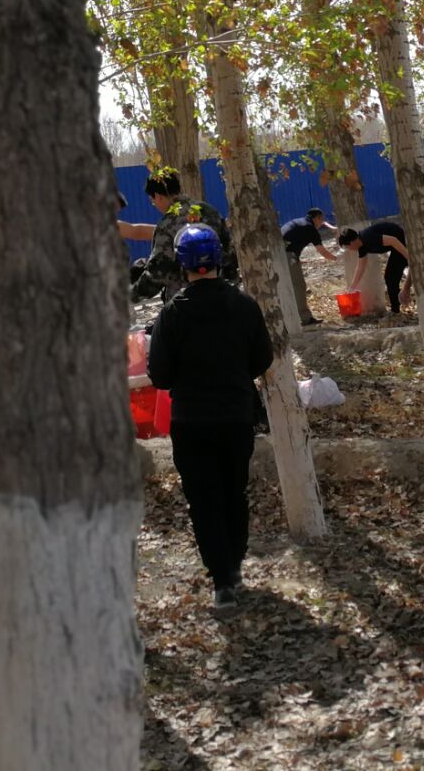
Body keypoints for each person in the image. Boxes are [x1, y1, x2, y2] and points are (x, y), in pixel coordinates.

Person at [147, 224, 273, 610]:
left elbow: (159, 375)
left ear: (182, 264)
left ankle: (222, 581)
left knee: (204, 498)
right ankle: (234, 565)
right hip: (236, 415)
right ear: (219, 258)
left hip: (191, 421)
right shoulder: (244, 305)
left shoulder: (172, 314)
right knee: (234, 490)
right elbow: (262, 359)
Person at [131, 170, 236, 298]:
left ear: (158, 196)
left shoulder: (167, 224)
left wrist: (131, 295)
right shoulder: (209, 211)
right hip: (222, 295)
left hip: (186, 301)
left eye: (153, 201)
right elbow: (229, 253)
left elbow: (158, 273)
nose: (154, 205)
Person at [337, 219, 410, 315]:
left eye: (347, 247)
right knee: (390, 278)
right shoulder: (361, 246)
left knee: (390, 277)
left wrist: (408, 257)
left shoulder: (368, 238)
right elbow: (360, 267)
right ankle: (397, 306)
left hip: (401, 241)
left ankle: (395, 310)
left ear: (351, 243)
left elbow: (393, 240)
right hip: (395, 247)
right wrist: (352, 288)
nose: (349, 249)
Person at [281, 209, 336, 326]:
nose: (321, 223)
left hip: (278, 254)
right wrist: (337, 258)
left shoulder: (299, 222)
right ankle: (305, 318)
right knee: (299, 286)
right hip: (288, 256)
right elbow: (323, 252)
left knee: (285, 286)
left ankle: (287, 317)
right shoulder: (310, 229)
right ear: (317, 218)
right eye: (321, 219)